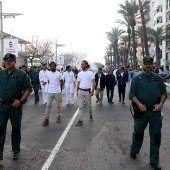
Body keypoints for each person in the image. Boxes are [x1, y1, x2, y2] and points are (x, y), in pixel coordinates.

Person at [129, 57, 167, 170]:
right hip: (141, 111)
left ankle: (154, 161)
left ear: (153, 66)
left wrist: (160, 104)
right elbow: (132, 94)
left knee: (156, 136)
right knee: (138, 133)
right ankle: (134, 150)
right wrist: (140, 105)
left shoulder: (158, 79)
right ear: (142, 65)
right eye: (145, 64)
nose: (147, 66)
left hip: (155, 112)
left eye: (149, 64)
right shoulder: (136, 79)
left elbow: (164, 93)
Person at [0, 53, 32, 163]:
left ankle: (16, 150)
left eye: (10, 60)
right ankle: (0, 155)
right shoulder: (1, 73)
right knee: (0, 129)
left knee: (15, 128)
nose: (7, 62)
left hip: (15, 107)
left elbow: (28, 89)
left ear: (14, 61)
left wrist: (21, 101)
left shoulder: (22, 74)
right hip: (2, 106)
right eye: (5, 60)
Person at [75, 60, 95, 126]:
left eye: (83, 64)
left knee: (89, 106)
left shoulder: (90, 73)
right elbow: (78, 83)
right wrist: (77, 91)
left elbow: (93, 82)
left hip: (88, 91)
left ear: (86, 65)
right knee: (80, 106)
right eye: (81, 64)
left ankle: (90, 115)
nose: (82, 65)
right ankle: (80, 120)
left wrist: (92, 91)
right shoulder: (80, 73)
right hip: (80, 91)